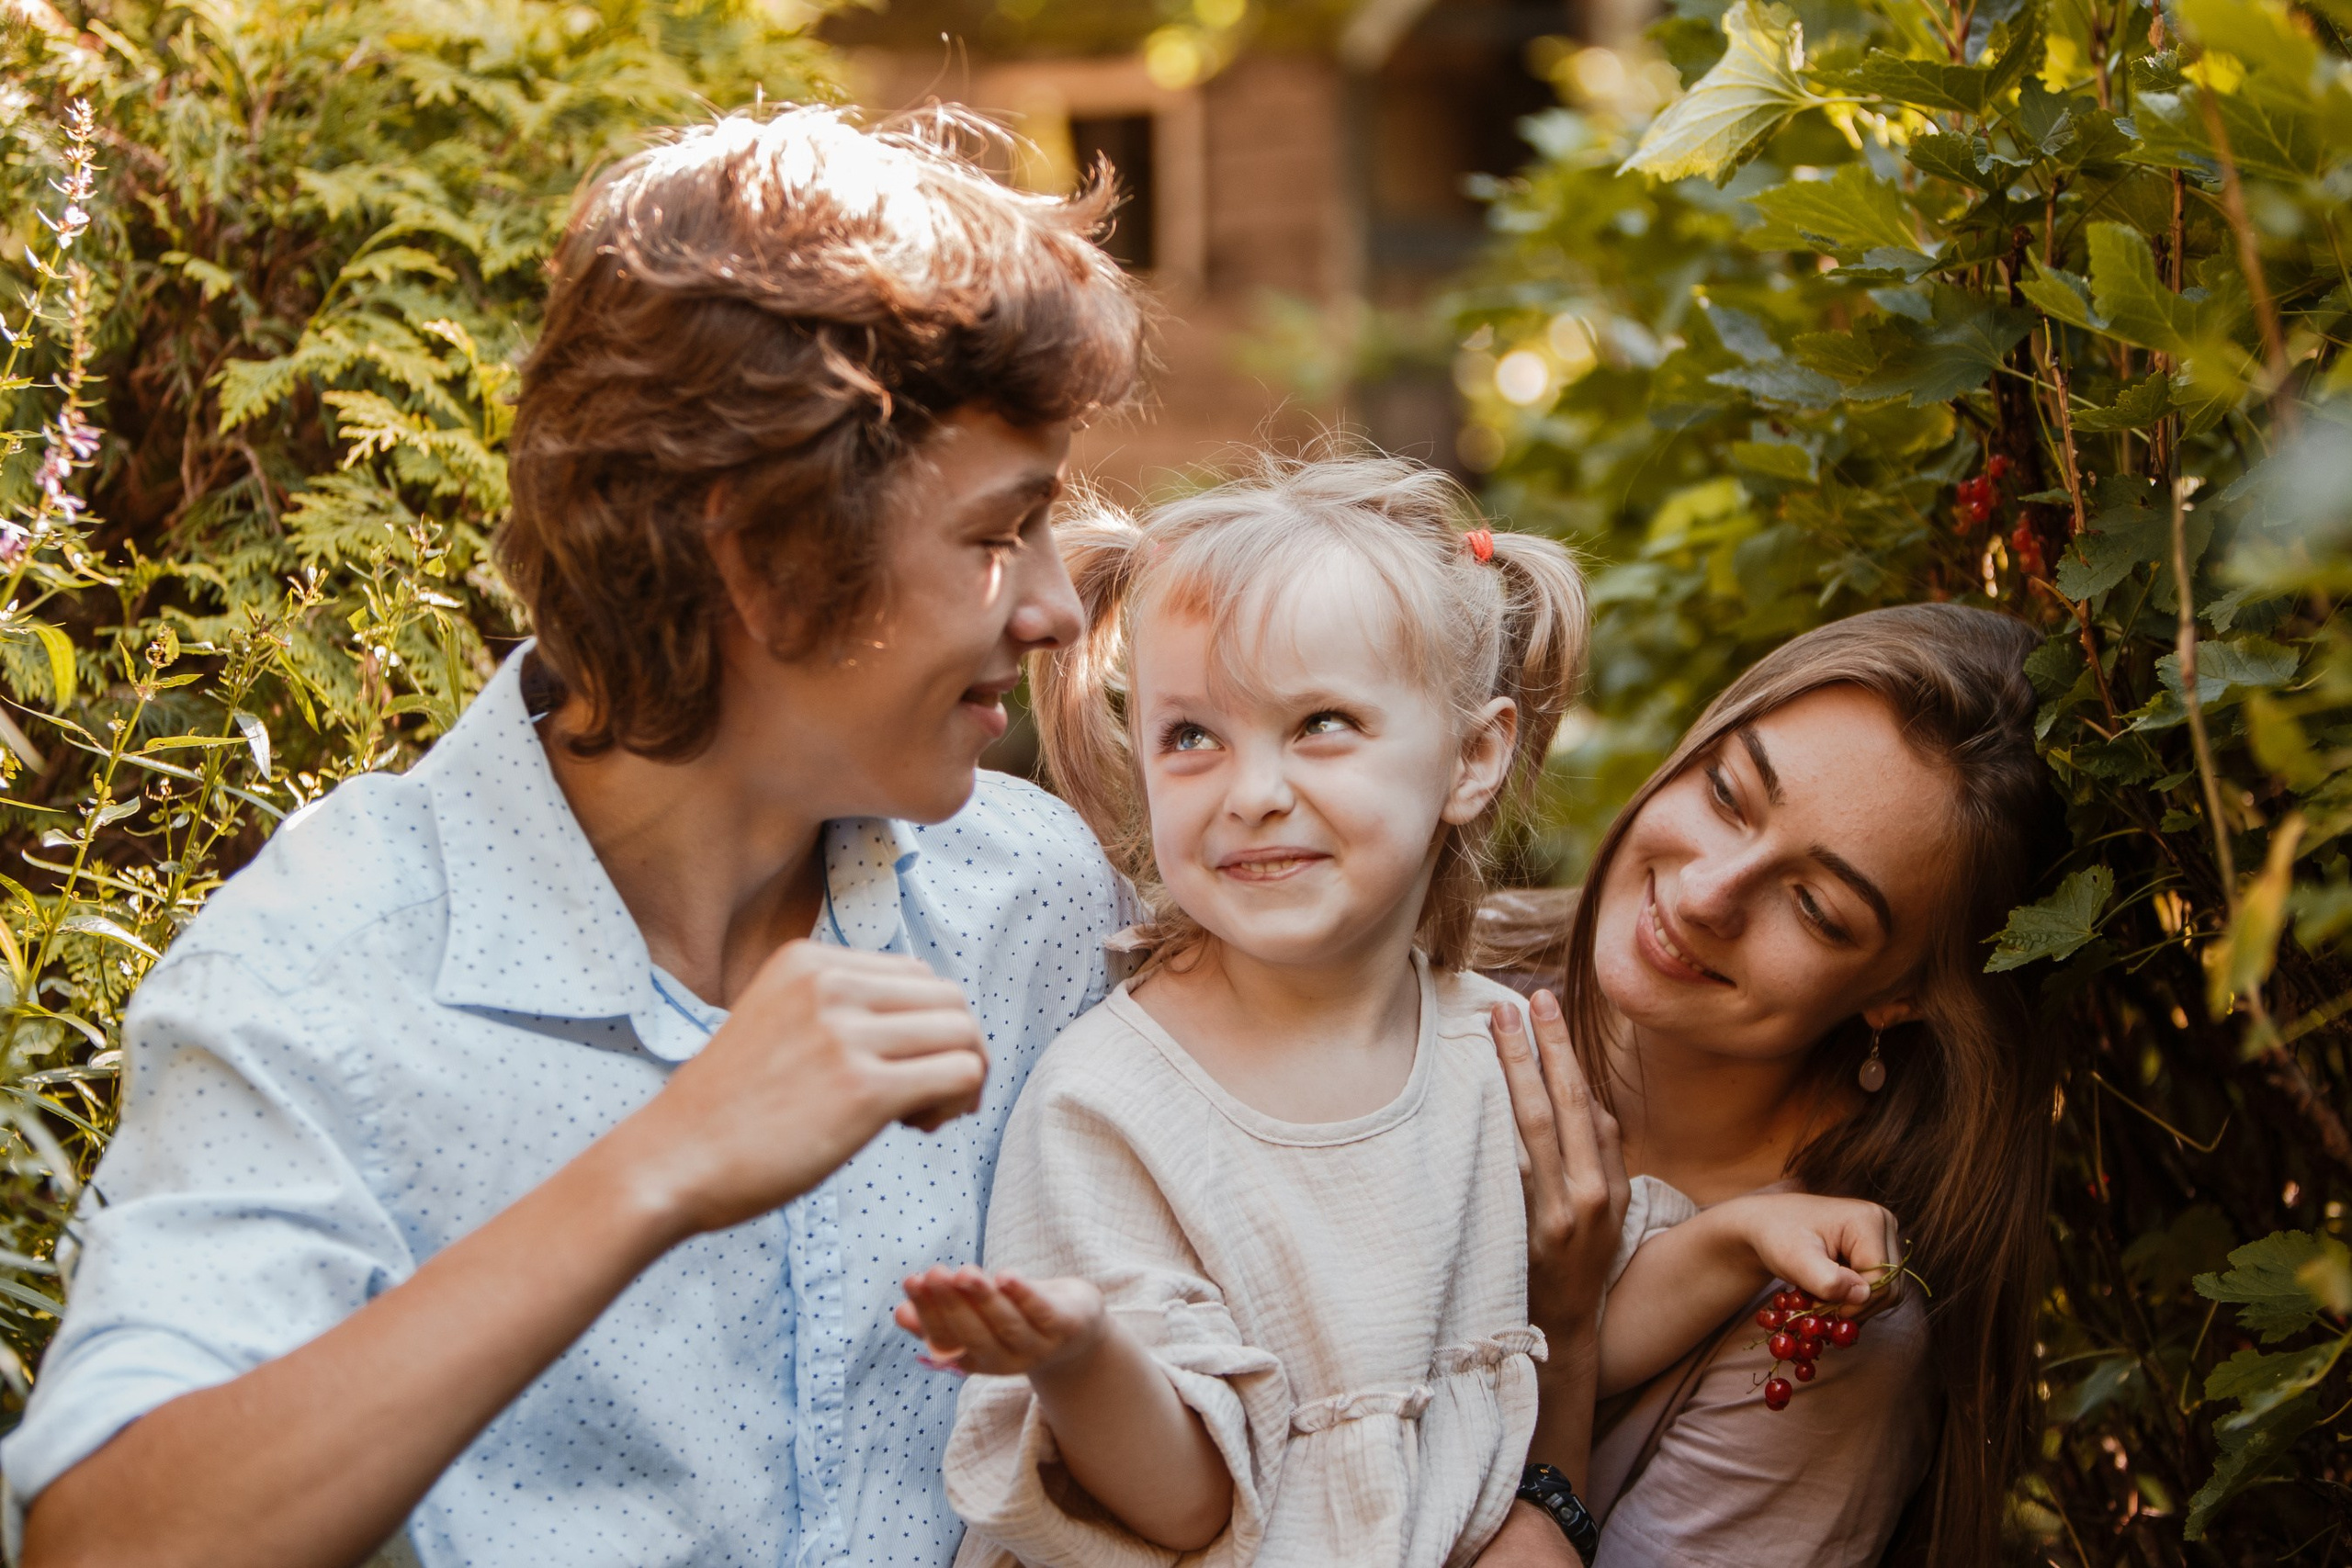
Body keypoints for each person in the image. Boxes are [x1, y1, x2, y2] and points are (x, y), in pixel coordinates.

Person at [8, 107, 1148, 1568]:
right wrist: (657, 1166)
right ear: (757, 544)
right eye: (1001, 532)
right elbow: (107, 1544)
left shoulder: (1032, 895)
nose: (1056, 605)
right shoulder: (329, 967)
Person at [891, 457, 1906, 1567]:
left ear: (1474, 758)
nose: (1251, 790)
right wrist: (1085, 1361)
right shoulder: (1107, 1102)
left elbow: (1581, 1328)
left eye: (1320, 723)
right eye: (1191, 736)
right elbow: (1182, 1507)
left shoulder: (1499, 1051)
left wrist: (1741, 1238)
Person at [1473, 603, 2064, 1568]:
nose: (1708, 895)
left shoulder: (1821, 1317)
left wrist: (1569, 1334)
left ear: (1902, 994)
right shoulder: (1438, 955)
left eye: (1816, 908)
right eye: (1726, 793)